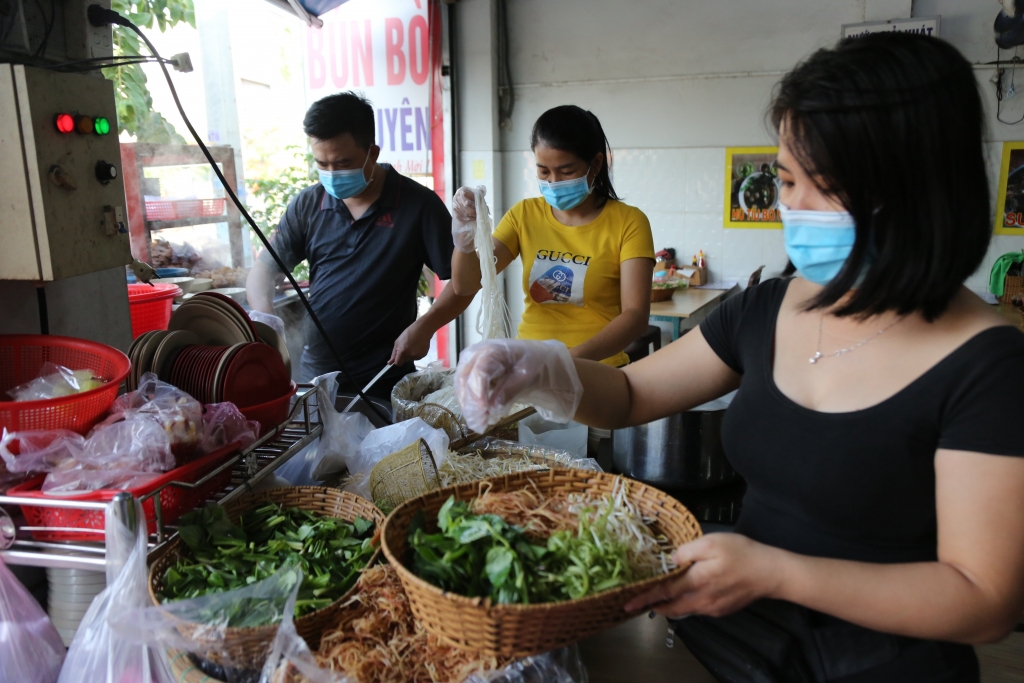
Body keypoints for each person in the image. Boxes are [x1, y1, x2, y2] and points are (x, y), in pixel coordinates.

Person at [453, 33, 1024, 682]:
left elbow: (984, 598)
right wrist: (540, 367)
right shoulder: (768, 308)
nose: (794, 206)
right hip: (735, 640)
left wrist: (778, 570)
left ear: (918, 188)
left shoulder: (987, 365)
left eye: (826, 185)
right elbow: (631, 397)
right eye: (785, 179)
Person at [246, 92, 474, 398]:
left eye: (343, 163)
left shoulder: (418, 205)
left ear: (373, 152)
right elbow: (264, 270)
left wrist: (426, 326)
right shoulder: (308, 205)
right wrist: (264, 318)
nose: (332, 174)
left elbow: (465, 283)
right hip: (317, 378)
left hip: (386, 379)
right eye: (322, 164)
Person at [449, 105, 655, 367]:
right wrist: (464, 242)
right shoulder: (524, 215)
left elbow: (635, 316)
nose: (554, 182)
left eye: (566, 171)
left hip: (598, 370)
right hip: (530, 368)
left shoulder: (629, 222)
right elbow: (466, 285)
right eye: (544, 171)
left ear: (596, 164)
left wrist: (565, 362)